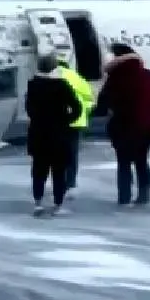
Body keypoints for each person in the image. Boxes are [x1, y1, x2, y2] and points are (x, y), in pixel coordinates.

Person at [96, 43, 150, 205]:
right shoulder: (148, 75)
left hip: (123, 127)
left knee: (124, 163)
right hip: (146, 126)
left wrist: (105, 112)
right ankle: (144, 194)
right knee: (142, 161)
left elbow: (102, 104)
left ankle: (124, 196)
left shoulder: (115, 79)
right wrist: (149, 112)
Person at [25, 53, 81, 216]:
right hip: (59, 134)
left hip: (38, 133)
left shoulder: (32, 85)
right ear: (54, 67)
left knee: (39, 170)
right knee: (59, 171)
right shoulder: (62, 85)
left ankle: (38, 202)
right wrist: (67, 121)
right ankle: (57, 204)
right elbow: (77, 107)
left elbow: (29, 110)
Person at [56, 58, 93, 198]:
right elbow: (89, 99)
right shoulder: (77, 78)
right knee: (72, 154)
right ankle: (70, 182)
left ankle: (58, 181)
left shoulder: (54, 76)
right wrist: (84, 113)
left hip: (58, 122)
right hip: (77, 122)